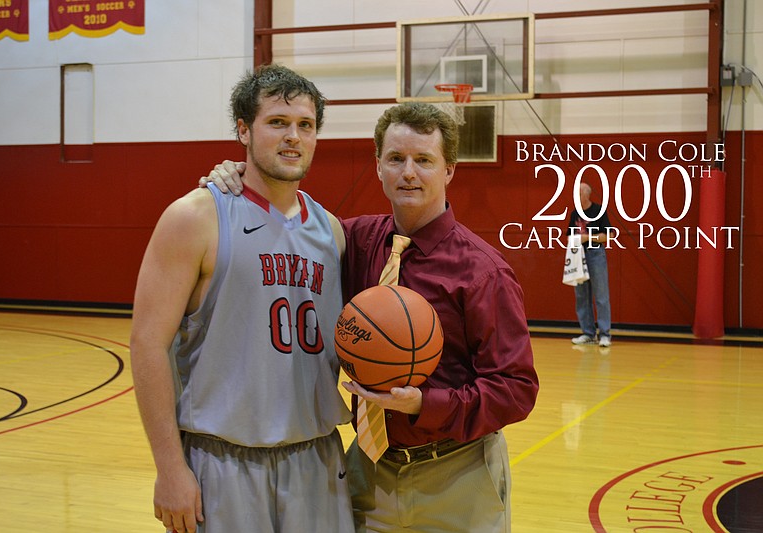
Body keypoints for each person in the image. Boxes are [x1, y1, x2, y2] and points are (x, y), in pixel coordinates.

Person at [202, 101, 539, 533]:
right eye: (396, 159)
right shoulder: (353, 239)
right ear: (378, 165)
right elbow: (284, 219)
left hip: (456, 474)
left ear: (449, 170)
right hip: (368, 468)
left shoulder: (484, 272)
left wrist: (423, 404)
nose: (409, 172)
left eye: (424, 160)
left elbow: (516, 389)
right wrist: (238, 176)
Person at [129, 64, 354, 533]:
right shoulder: (195, 217)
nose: (293, 137)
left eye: (305, 126)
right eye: (277, 123)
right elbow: (147, 345)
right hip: (221, 461)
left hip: (316, 457)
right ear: (243, 130)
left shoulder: (332, 232)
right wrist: (170, 469)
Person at [568, 182, 613, 347]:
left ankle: (605, 334)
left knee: (601, 295)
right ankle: (588, 333)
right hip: (578, 255)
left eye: (578, 193)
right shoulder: (575, 214)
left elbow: (607, 236)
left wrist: (588, 237)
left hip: (595, 254)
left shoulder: (598, 211)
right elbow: (569, 235)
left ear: (586, 194)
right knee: (581, 295)